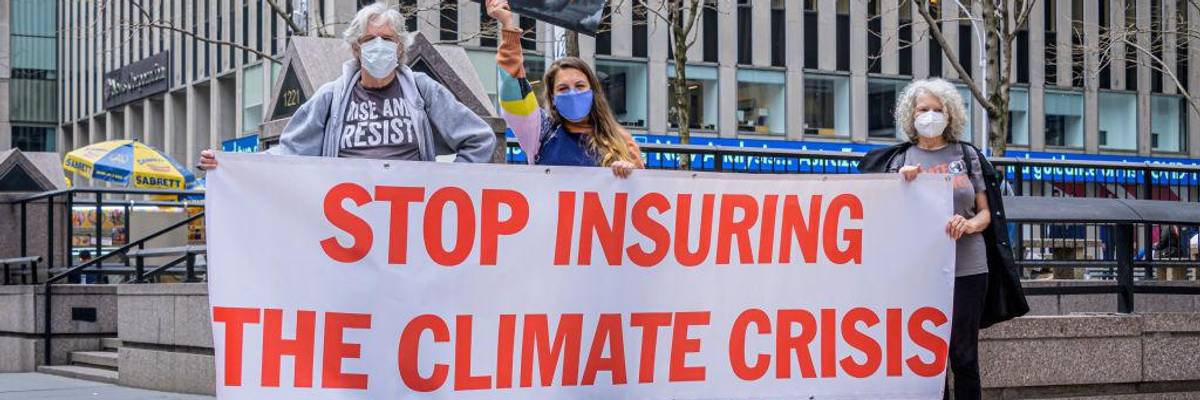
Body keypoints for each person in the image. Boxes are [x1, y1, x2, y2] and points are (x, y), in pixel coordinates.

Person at [859, 78, 1028, 400]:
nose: (931, 116)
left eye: (938, 109)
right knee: (927, 355)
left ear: (950, 115)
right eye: (924, 109)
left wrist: (969, 225)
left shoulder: (967, 155)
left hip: (968, 266)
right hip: (918, 270)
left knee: (963, 353)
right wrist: (899, 184)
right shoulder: (898, 160)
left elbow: (986, 214)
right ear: (911, 115)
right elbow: (883, 217)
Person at [199, 2, 495, 169]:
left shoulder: (423, 91)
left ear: (400, 47)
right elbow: (288, 153)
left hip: (410, 225)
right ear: (356, 47)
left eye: (388, 40)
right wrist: (228, 164)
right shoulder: (331, 97)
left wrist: (451, 187)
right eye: (369, 40)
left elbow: (480, 139)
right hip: (348, 229)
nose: (379, 46)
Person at [486, 0, 643, 177]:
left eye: (580, 86)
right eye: (563, 88)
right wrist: (507, 25)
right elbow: (513, 88)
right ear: (553, 97)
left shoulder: (622, 141)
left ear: (593, 91)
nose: (572, 93)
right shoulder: (540, 133)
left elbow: (642, 195)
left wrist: (630, 172)